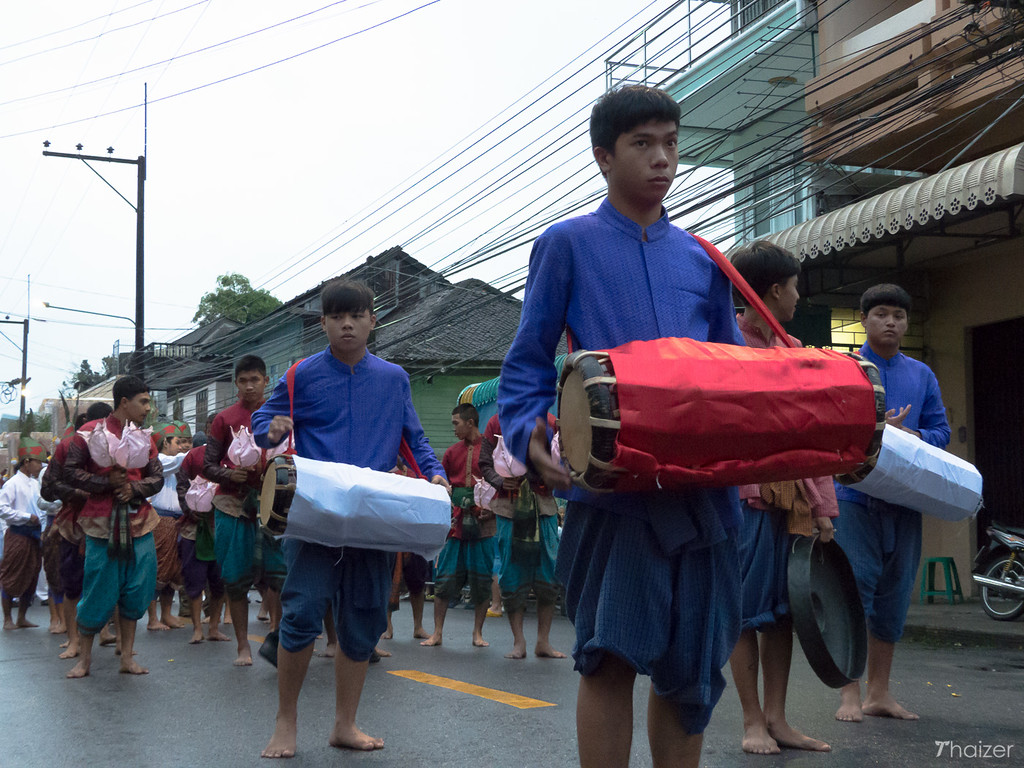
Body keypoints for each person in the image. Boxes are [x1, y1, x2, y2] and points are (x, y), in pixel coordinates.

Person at [497, 84, 745, 768]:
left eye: (670, 142)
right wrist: (529, 435)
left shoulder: (704, 259)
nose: (662, 159)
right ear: (604, 157)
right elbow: (525, 364)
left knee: (691, 674)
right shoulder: (567, 244)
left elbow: (730, 373)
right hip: (614, 491)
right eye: (642, 144)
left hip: (704, 497)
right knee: (608, 659)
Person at [251, 278, 449, 759]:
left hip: (374, 519)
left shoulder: (394, 378)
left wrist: (436, 474)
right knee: (299, 616)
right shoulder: (301, 374)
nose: (347, 324)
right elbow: (264, 423)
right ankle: (285, 721)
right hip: (317, 515)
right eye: (337, 317)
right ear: (322, 323)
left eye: (356, 316)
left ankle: (345, 724)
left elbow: (414, 439)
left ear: (372, 322)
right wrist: (271, 428)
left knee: (362, 620)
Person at [726, 240, 838, 754]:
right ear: (774, 290)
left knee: (786, 611)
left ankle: (778, 718)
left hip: (792, 499)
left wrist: (823, 509)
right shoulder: (724, 343)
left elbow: (812, 438)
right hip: (744, 499)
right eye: (794, 288)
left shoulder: (793, 350)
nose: (798, 298)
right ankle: (751, 721)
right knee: (746, 611)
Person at [835, 283, 950, 723]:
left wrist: (914, 435)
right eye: (881, 313)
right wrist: (875, 426)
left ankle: (879, 693)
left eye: (899, 316)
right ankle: (849, 693)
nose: (891, 322)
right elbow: (831, 427)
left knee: (894, 596)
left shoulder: (922, 375)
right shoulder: (845, 368)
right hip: (855, 496)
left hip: (904, 500)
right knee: (853, 592)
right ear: (863, 319)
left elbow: (941, 432)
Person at [63, 376, 164, 677]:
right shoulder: (88, 433)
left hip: (140, 519)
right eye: (143, 402)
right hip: (101, 522)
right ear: (124, 402)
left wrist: (135, 489)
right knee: (98, 587)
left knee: (138, 586)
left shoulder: (145, 436)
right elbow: (70, 473)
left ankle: (127, 658)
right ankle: (84, 660)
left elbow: (156, 476)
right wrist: (105, 483)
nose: (148, 408)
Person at [203, 355, 285, 667]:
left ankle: (277, 638)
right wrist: (228, 475)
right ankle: (242, 647)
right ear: (236, 383)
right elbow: (208, 464)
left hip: (273, 505)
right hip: (232, 505)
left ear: (266, 381)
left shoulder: (280, 416)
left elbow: (293, 455)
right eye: (243, 381)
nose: (249, 386)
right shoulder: (224, 419)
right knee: (235, 578)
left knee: (278, 577)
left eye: (255, 380)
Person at [479, 412, 566, 660]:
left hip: (546, 506)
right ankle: (519, 642)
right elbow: (485, 462)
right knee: (512, 573)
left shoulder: (551, 422)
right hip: (509, 507)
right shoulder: (496, 423)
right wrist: (498, 480)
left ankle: (543, 642)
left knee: (548, 573)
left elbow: (565, 457)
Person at [41, 404, 116, 658]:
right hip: (74, 523)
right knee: (73, 582)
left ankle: (105, 631)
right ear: (85, 423)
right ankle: (73, 640)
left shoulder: (120, 444)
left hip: (110, 519)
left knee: (107, 579)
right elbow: (48, 488)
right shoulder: (68, 446)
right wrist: (78, 493)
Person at [421, 404, 495, 649]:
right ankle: (437, 633)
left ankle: (477, 634)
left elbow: (499, 486)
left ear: (470, 422)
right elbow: (443, 488)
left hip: (484, 526)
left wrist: (490, 508)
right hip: (455, 526)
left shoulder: (491, 450)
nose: (453, 428)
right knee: (443, 581)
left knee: (482, 582)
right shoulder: (451, 453)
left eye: (456, 423)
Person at [176, 430, 229, 644]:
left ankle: (214, 627)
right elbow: (182, 485)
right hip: (194, 527)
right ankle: (198, 628)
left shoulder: (233, 456)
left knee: (220, 582)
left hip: (223, 525)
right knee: (194, 579)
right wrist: (189, 509)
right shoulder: (193, 456)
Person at [0, 437, 47, 630]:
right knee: (11, 574)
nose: (39, 466)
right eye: (37, 462)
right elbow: (2, 509)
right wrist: (26, 516)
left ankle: (21, 617)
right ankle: (7, 619)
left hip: (35, 536)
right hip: (18, 535)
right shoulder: (12, 484)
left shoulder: (36, 484)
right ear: (27, 462)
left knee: (32, 574)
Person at [146, 423, 186, 631]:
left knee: (173, 569)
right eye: (177, 442)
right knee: (159, 567)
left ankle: (167, 614)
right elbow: (179, 461)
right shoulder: (160, 461)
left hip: (177, 520)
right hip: (161, 521)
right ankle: (153, 618)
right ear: (164, 443)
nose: (180, 447)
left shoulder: (172, 463)